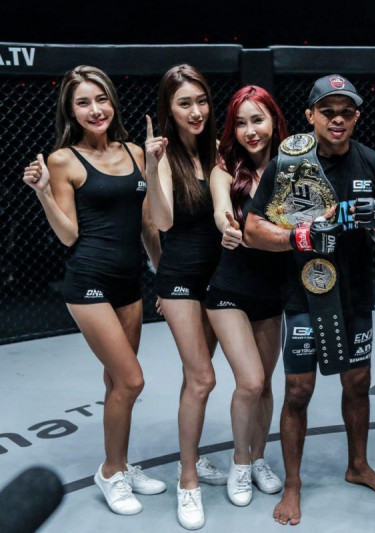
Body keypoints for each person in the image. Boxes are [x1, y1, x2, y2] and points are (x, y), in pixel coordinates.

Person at [244, 74, 375, 526]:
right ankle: (293, 484)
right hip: (303, 293)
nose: (337, 119)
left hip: (355, 292)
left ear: (357, 117)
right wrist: (296, 237)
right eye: (327, 111)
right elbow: (252, 228)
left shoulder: (371, 162)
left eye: (346, 112)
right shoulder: (288, 164)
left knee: (358, 382)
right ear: (310, 115)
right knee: (298, 389)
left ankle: (358, 465)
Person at [21, 65, 165, 516]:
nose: (95, 109)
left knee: (115, 382)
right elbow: (68, 235)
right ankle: (110, 471)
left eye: (100, 99)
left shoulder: (135, 152)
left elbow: (147, 223)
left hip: (129, 283)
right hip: (88, 283)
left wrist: (162, 276)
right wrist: (44, 192)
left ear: (112, 102)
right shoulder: (63, 160)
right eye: (83, 102)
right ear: (71, 111)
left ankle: (121, 463)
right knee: (132, 380)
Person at [143, 64, 226, 529]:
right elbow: (162, 221)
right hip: (180, 281)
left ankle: (188, 457)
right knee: (203, 378)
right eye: (184, 103)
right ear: (168, 110)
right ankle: (188, 480)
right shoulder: (162, 155)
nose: (196, 111)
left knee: (194, 378)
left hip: (218, 279)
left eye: (201, 101)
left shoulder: (216, 152)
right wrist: (151, 166)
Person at [205, 86, 289, 511]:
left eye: (257, 120)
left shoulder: (292, 169)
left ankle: (259, 458)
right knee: (250, 381)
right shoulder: (224, 169)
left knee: (266, 385)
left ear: (274, 121)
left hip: (272, 293)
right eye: (240, 123)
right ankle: (239, 462)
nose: (250, 131)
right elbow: (221, 208)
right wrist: (227, 226)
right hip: (228, 291)